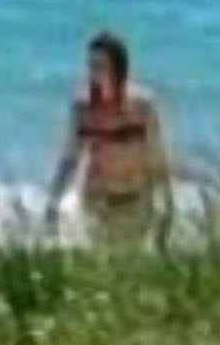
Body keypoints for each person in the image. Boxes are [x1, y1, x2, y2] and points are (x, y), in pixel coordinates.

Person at [49, 29, 173, 242]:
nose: (94, 73)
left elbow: (157, 157)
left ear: (118, 67)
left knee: (129, 262)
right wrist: (54, 199)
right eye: (91, 66)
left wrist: (168, 203)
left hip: (136, 199)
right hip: (98, 200)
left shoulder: (143, 106)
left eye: (101, 66)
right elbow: (70, 158)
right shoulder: (83, 108)